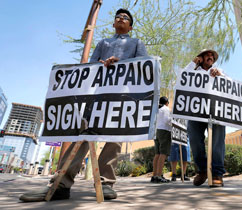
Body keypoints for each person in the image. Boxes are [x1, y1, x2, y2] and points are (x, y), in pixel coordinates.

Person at [20, 8, 148, 202]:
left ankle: (106, 183)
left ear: (130, 26)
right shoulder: (103, 43)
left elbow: (143, 65)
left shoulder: (136, 43)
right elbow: (90, 67)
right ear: (113, 24)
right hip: (96, 97)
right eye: (118, 17)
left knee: (114, 140)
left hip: (122, 98)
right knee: (82, 136)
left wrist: (121, 62)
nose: (121, 19)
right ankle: (61, 184)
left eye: (126, 18)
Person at [186, 49, 226, 187]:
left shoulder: (219, 71)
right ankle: (202, 171)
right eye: (207, 55)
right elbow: (182, 78)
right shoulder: (193, 71)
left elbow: (230, 87)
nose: (210, 57)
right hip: (195, 111)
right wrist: (193, 63)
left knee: (217, 141)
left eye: (212, 56)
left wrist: (220, 76)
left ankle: (217, 174)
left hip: (216, 110)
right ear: (201, 58)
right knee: (195, 140)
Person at [151, 96, 172, 183]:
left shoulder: (157, 109)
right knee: (163, 154)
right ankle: (159, 175)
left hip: (156, 131)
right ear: (167, 103)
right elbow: (168, 121)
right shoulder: (166, 109)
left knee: (157, 154)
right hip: (164, 131)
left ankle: (155, 175)